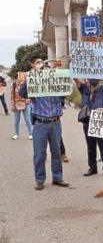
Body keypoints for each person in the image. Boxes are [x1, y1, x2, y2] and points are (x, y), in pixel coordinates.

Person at [18, 56, 69, 190]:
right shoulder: (34, 87)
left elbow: (65, 93)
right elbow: (21, 92)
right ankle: (40, 179)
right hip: (40, 123)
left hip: (55, 122)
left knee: (57, 152)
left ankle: (57, 178)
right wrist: (31, 76)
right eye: (39, 65)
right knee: (40, 154)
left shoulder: (56, 86)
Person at [75, 79, 103, 176]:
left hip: (100, 121)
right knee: (91, 147)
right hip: (87, 122)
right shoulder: (84, 88)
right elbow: (75, 78)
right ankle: (92, 168)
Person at [10, 73, 33, 140]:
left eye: (22, 76)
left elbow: (30, 93)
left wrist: (29, 100)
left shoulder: (26, 84)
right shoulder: (14, 84)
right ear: (17, 77)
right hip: (17, 104)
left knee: (28, 119)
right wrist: (12, 105)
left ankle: (31, 134)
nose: (21, 77)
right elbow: (12, 95)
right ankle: (16, 134)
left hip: (26, 104)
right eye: (19, 76)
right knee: (16, 120)